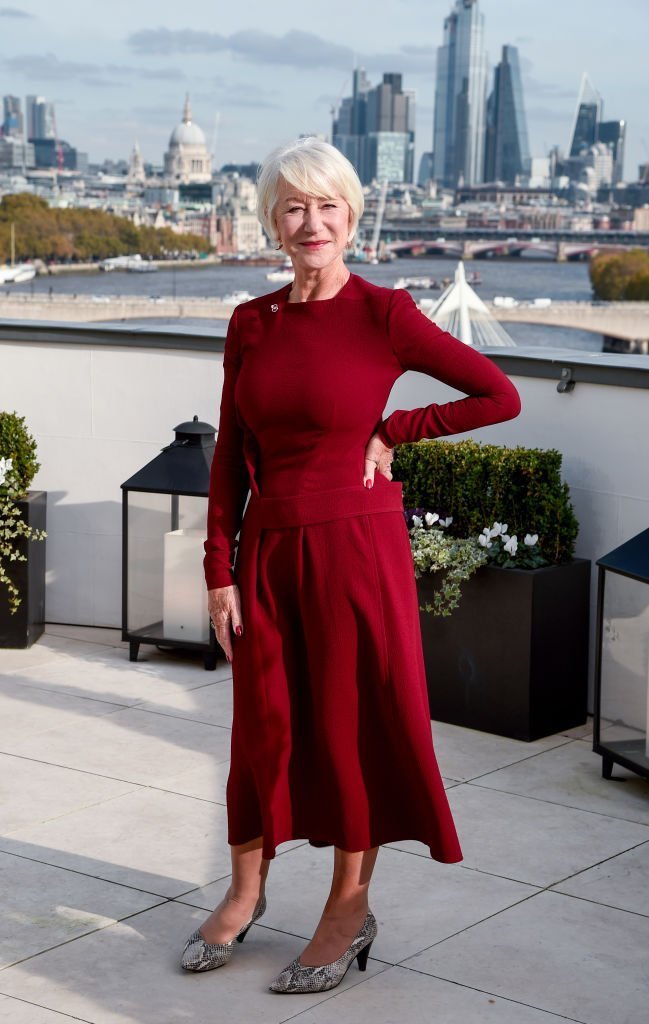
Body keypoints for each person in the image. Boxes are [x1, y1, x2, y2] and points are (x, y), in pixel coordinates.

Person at [180, 137, 521, 993]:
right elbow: (229, 457)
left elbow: (498, 394)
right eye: (292, 207)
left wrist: (396, 430)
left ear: (351, 217)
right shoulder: (250, 322)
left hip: (352, 550)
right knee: (261, 726)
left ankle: (347, 906)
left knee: (345, 729)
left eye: (326, 205)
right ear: (271, 222)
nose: (310, 222)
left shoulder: (384, 312)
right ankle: (246, 890)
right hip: (267, 551)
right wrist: (218, 568)